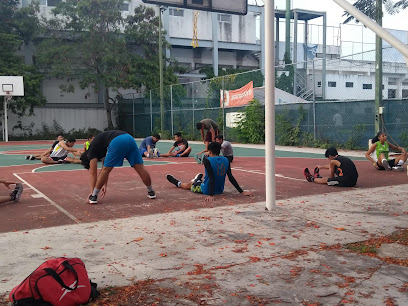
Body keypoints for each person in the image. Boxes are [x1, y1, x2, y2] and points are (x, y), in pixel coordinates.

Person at [80, 130, 156, 204]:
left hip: (117, 141)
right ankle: (151, 191)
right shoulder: (99, 146)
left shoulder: (91, 152)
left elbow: (93, 173)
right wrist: (104, 185)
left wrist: (92, 192)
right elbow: (104, 166)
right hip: (129, 138)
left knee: (106, 170)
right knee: (140, 168)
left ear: (87, 156)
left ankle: (94, 196)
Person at [166, 142, 253, 202]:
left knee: (190, 185)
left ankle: (178, 183)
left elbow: (212, 178)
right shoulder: (226, 159)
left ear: (209, 151)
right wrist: (242, 192)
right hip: (219, 190)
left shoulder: (208, 160)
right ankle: (197, 180)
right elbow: (230, 177)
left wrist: (210, 195)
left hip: (206, 190)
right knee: (200, 181)